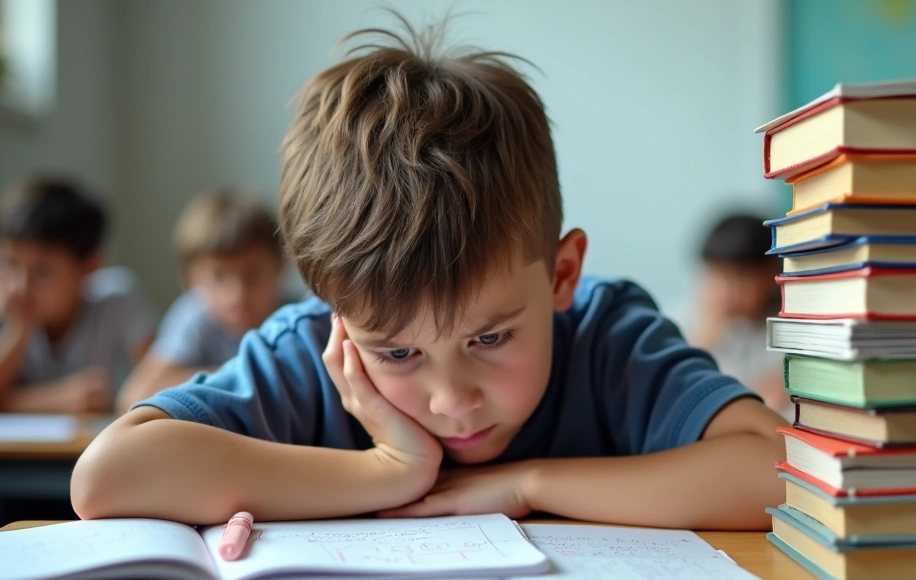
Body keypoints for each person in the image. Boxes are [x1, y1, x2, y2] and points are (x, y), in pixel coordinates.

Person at [71, 20, 786, 529]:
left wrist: (524, 484)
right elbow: (108, 478)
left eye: (492, 338)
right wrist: (389, 468)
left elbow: (776, 471)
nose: (451, 402)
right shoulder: (309, 352)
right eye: (397, 353)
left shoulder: (606, 336)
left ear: (562, 274)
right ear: (337, 314)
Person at [117, 190, 285, 410]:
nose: (236, 295)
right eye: (218, 277)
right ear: (189, 279)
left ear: (280, 266)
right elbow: (134, 396)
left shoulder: (295, 318)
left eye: (251, 275)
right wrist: (242, 375)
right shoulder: (195, 317)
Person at [0, 177, 156, 413]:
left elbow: (159, 384)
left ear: (89, 268)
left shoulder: (118, 300)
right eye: (11, 263)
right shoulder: (11, 307)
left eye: (42, 271)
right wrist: (19, 330)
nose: (21, 286)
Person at [687, 212, 787, 415]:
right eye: (716, 275)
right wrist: (704, 342)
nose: (726, 293)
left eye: (740, 279)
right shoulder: (684, 322)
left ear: (770, 274)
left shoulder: (787, 326)